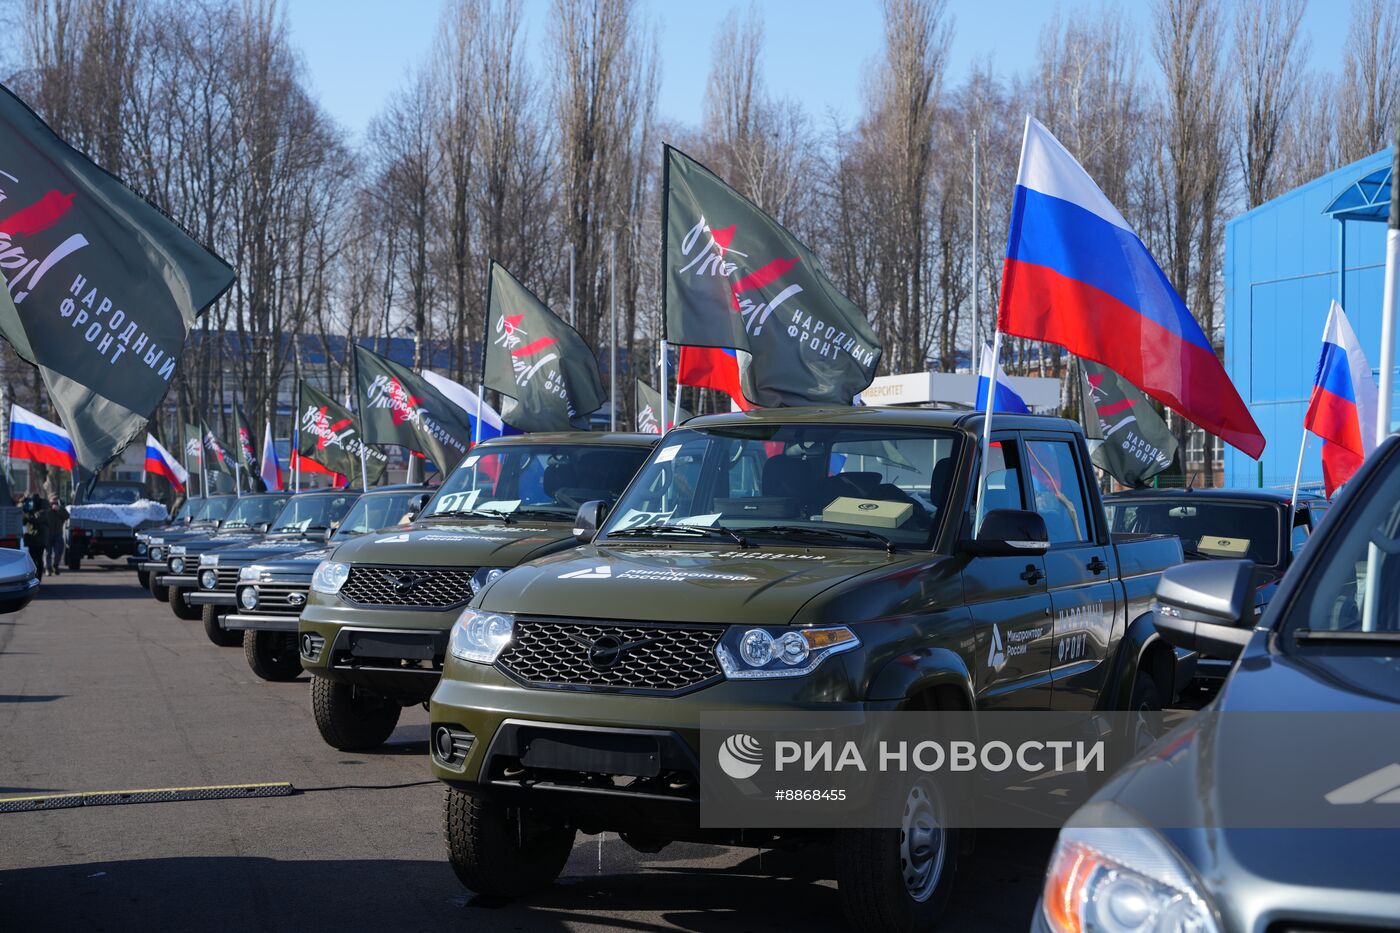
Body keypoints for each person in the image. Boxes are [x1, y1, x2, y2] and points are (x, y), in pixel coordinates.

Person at [21, 495, 49, 580]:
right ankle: (34, 577)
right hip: (32, 540)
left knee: (38, 559)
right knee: (33, 559)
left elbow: (36, 519)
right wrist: (23, 503)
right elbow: (23, 520)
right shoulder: (30, 513)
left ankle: (38, 577)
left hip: (40, 540)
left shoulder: (43, 512)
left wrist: (27, 515)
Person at [46, 495, 69, 575]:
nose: (55, 501)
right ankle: (48, 568)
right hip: (48, 534)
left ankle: (55, 565)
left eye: (56, 499)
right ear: (50, 500)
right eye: (53, 499)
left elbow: (67, 516)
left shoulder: (60, 508)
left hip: (58, 534)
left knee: (59, 552)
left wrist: (59, 509)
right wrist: (50, 509)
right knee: (48, 553)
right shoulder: (46, 507)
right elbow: (43, 516)